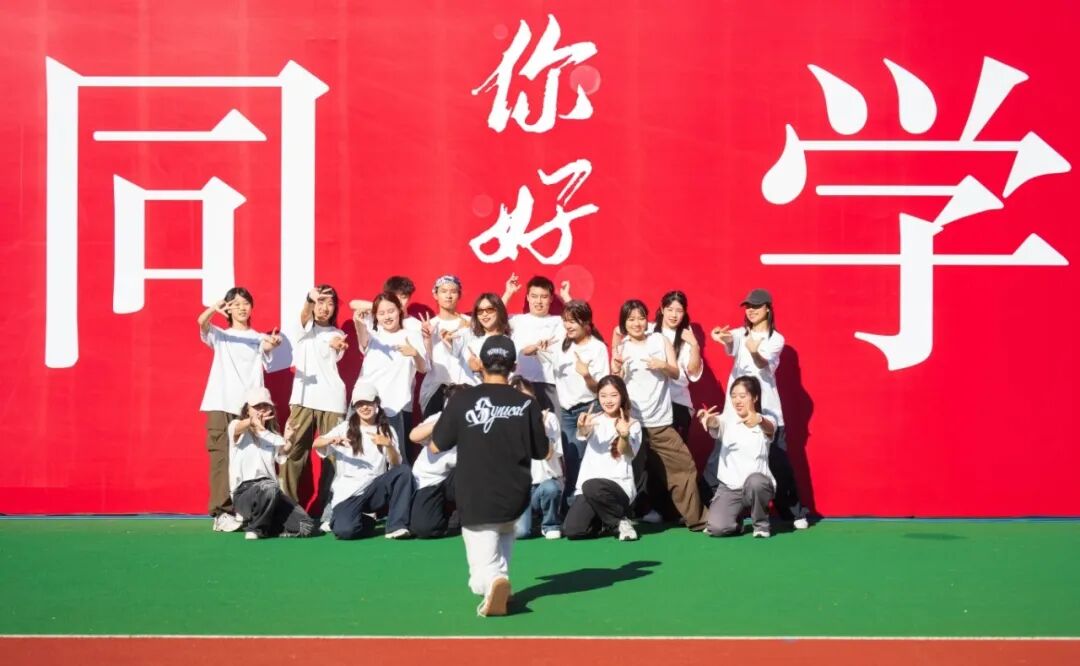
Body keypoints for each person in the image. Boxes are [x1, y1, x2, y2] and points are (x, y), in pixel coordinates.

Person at [432, 335, 548, 617]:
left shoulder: (462, 400)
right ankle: (502, 586)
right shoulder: (527, 403)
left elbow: (437, 444)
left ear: (480, 364)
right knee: (503, 538)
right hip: (516, 493)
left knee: (480, 573)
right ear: (514, 366)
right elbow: (542, 452)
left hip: (476, 494)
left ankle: (493, 584)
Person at [710, 288, 809, 529]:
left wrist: (754, 351)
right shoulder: (740, 333)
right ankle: (720, 512)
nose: (751, 310)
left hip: (767, 411)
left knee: (778, 463)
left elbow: (763, 363)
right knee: (717, 461)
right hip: (735, 413)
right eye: (748, 307)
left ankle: (795, 513)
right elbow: (731, 340)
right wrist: (721, 337)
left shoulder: (776, 339)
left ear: (768, 309)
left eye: (756, 306)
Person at [612, 299, 706, 531]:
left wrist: (661, 365)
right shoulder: (621, 348)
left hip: (661, 422)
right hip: (633, 424)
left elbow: (675, 373)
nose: (637, 323)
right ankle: (616, 520)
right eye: (631, 319)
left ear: (648, 319)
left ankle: (698, 520)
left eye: (641, 318)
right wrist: (618, 371)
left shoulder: (659, 340)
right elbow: (615, 384)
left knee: (684, 468)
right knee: (626, 472)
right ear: (624, 322)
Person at [198, 287, 282, 532]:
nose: (241, 308)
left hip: (250, 409)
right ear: (228, 309)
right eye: (235, 304)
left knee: (250, 458)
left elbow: (266, 350)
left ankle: (245, 509)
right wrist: (213, 309)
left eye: (245, 303)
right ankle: (221, 513)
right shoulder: (221, 335)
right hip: (221, 403)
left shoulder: (259, 338)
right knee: (221, 458)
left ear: (252, 307)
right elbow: (202, 323)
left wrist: (272, 345)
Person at [313, 382, 415, 540]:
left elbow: (396, 464)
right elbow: (316, 443)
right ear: (354, 407)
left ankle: (396, 526)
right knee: (345, 531)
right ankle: (360, 521)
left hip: (374, 490)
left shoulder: (387, 430)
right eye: (360, 404)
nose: (364, 407)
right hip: (348, 493)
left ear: (377, 404)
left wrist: (388, 445)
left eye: (368, 403)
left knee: (404, 471)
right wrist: (331, 440)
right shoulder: (344, 427)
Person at [282, 285, 347, 505]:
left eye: (330, 303)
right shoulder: (303, 328)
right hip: (302, 399)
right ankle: (288, 507)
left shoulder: (338, 334)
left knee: (333, 455)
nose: (325, 308)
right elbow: (303, 316)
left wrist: (337, 345)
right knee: (293, 451)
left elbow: (336, 344)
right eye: (320, 302)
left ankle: (327, 507)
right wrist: (310, 300)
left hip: (332, 400)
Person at [228, 387, 316, 539]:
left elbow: (282, 454)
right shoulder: (237, 425)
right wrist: (251, 421)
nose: (261, 410)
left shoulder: (272, 434)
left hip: (272, 493)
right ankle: (255, 529)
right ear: (247, 409)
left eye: (265, 405)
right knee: (269, 487)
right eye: (256, 406)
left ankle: (267, 523)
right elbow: (237, 428)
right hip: (244, 492)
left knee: (306, 526)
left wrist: (290, 439)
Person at [563, 375, 642, 541]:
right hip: (589, 489)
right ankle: (606, 522)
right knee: (573, 530)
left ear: (622, 396)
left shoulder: (632, 424)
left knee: (592, 485)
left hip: (617, 487)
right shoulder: (593, 419)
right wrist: (582, 427)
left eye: (613, 395)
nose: (608, 400)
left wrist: (624, 435)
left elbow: (625, 451)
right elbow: (584, 434)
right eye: (603, 396)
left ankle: (621, 521)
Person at [698, 376, 777, 538]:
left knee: (756, 482)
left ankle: (761, 524)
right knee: (717, 528)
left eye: (742, 396)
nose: (737, 401)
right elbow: (715, 423)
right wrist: (707, 419)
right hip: (730, 487)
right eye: (733, 396)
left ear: (754, 397)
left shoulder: (766, 420)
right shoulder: (727, 419)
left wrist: (759, 420)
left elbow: (770, 429)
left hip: (756, 485)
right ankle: (736, 521)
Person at [355, 291, 428, 460]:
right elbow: (363, 340)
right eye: (381, 313)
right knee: (362, 456)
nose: (387, 317)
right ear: (375, 316)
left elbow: (423, 368)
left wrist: (415, 354)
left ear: (399, 311)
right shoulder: (373, 335)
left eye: (391, 311)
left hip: (396, 406)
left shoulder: (412, 335)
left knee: (397, 458)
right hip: (365, 404)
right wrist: (358, 323)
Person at [550, 299, 609, 507]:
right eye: (565, 321)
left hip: (589, 409)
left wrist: (586, 375)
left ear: (586, 323)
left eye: (572, 321)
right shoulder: (561, 345)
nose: (567, 326)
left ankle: (580, 506)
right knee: (571, 459)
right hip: (566, 412)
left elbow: (600, 389)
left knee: (584, 460)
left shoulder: (597, 348)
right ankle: (573, 507)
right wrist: (536, 350)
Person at [502, 273, 569, 419]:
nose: (538, 301)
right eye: (534, 296)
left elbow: (581, 319)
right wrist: (508, 293)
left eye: (544, 297)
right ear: (527, 297)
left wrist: (567, 298)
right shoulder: (516, 320)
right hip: (520, 384)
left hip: (550, 384)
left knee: (551, 428)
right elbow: (495, 317)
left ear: (551, 299)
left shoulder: (560, 321)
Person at [510, 377, 564, 540]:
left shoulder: (549, 418)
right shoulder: (507, 423)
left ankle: (550, 524)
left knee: (551, 489)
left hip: (544, 483)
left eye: (530, 397)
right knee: (521, 532)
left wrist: (542, 430)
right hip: (519, 489)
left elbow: (549, 455)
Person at [408, 384, 464, 539]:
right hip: (430, 479)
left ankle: (462, 518)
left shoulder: (475, 422)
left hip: (455, 477)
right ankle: (444, 514)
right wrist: (444, 420)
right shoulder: (437, 418)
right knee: (424, 529)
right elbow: (414, 436)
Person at [651, 291, 703, 443]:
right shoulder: (649, 330)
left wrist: (694, 345)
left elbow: (693, 372)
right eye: (670, 309)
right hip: (652, 402)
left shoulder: (686, 336)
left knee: (676, 453)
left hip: (677, 402)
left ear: (684, 312)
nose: (674, 315)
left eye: (679, 311)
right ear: (662, 309)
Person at [418, 275, 473, 417]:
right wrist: (427, 338)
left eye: (453, 291)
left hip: (464, 388)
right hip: (434, 389)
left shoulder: (470, 323)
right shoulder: (427, 325)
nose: (448, 296)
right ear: (435, 295)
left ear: (459, 295)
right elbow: (425, 365)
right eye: (443, 291)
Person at [462, 293, 512, 384]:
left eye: (489, 309)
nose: (484, 314)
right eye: (480, 311)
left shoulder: (512, 340)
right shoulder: (472, 344)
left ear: (499, 310)